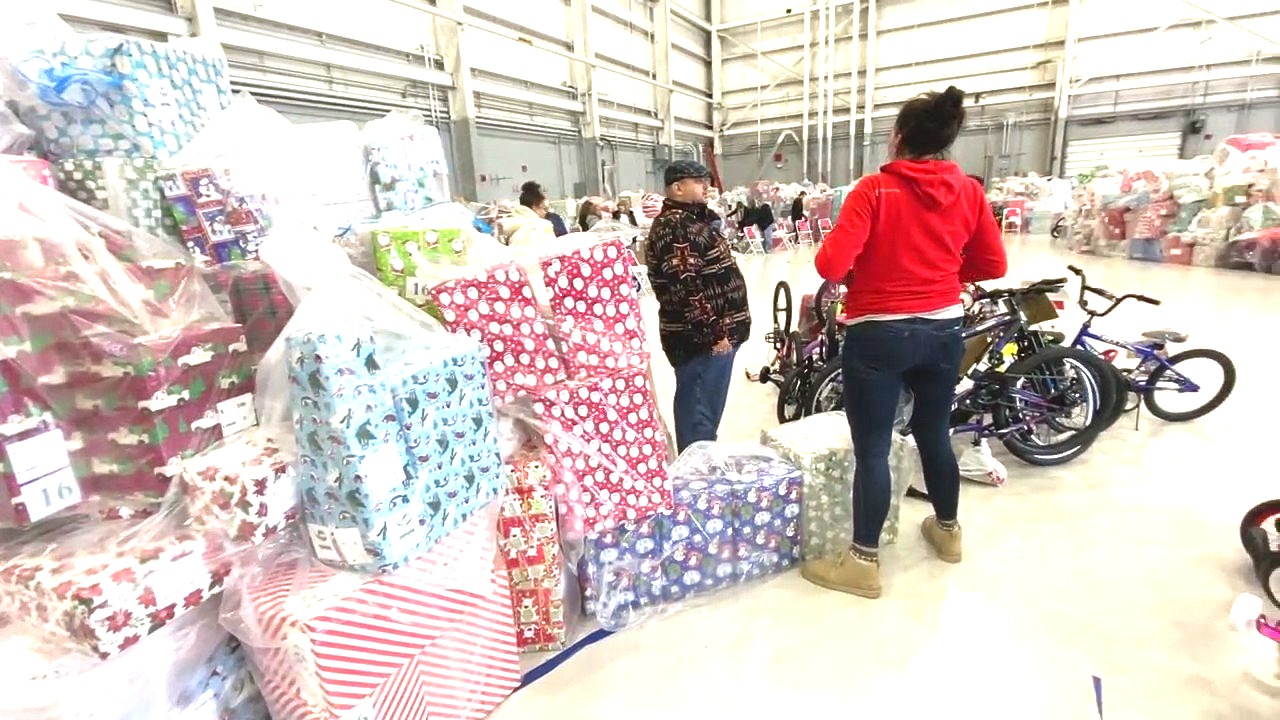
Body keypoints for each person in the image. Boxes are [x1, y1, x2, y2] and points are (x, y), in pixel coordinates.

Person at [805, 86, 1007, 599]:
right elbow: (993, 265)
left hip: (878, 332)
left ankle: (863, 562)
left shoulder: (874, 190)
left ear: (899, 137)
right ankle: (947, 531)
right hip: (943, 330)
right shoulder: (969, 192)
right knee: (934, 433)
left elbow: (829, 265)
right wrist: (943, 274)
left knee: (873, 447)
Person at [646, 161, 752, 453]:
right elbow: (685, 288)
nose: (706, 186)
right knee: (699, 419)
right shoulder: (676, 227)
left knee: (704, 415)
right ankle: (696, 479)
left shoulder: (692, 221)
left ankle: (700, 470)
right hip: (702, 344)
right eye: (698, 181)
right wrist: (713, 334)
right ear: (677, 187)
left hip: (715, 341)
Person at [503, 181, 556, 249]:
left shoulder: (507, 224)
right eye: (544, 208)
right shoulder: (541, 226)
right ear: (534, 207)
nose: (545, 212)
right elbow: (551, 252)